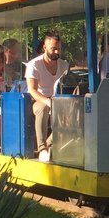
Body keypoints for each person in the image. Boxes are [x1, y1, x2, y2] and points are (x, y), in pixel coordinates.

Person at [25, 30, 69, 162]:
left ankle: (50, 144)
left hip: (59, 100)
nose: (56, 52)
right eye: (53, 48)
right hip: (38, 101)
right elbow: (32, 90)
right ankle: (42, 148)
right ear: (45, 47)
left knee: (73, 112)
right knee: (43, 108)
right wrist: (47, 101)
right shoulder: (34, 64)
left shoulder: (64, 65)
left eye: (59, 49)